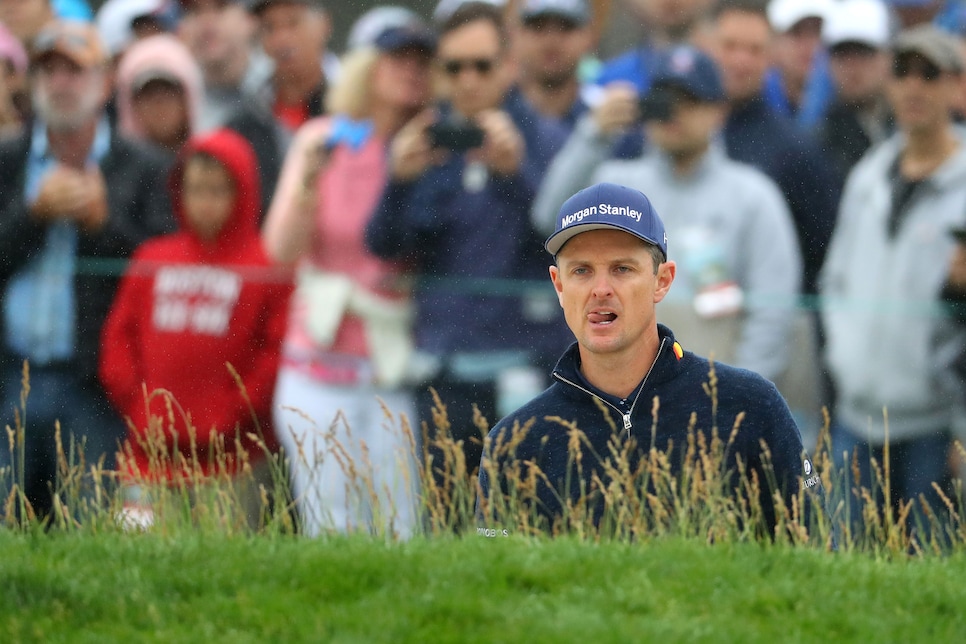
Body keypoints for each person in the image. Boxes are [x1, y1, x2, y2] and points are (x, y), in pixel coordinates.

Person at [478, 182, 822, 537]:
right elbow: (500, 587)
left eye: (622, 269)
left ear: (663, 280)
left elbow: (815, 555)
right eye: (581, 270)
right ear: (559, 285)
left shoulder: (747, 405)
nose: (600, 289)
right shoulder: (516, 442)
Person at [364, 2, 570, 522]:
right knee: (448, 527)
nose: (468, 80)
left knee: (524, 529)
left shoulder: (547, 139)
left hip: (526, 367)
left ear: (508, 66)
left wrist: (519, 174)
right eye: (454, 68)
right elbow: (383, 247)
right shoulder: (430, 140)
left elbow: (573, 244)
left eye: (481, 65)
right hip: (443, 367)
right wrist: (398, 181)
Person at [263, 8, 437, 538]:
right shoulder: (324, 138)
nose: (411, 70)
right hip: (317, 362)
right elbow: (279, 250)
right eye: (396, 58)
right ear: (365, 66)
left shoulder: (433, 147)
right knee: (329, 528)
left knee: (399, 527)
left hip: (393, 369)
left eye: (421, 60)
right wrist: (309, 186)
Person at [533, 45, 802, 386]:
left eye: (689, 100)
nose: (674, 113)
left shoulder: (753, 196)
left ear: (718, 111)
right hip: (619, 394)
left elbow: (773, 315)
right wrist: (593, 135)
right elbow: (546, 219)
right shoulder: (617, 184)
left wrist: (735, 394)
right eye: (663, 100)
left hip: (713, 392)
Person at [0, 21, 174, 520]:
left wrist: (102, 225)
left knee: (90, 529)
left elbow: (161, 273)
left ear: (102, 83)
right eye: (48, 71)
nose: (60, 83)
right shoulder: (7, 160)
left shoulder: (143, 167)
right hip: (12, 375)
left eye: (74, 72)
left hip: (97, 386)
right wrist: (31, 216)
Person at [99, 128, 291, 529]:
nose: (205, 203)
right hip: (148, 457)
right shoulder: (152, 258)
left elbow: (272, 356)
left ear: (243, 194)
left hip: (232, 462)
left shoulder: (264, 269)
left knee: (222, 570)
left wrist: (229, 414)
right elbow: (119, 342)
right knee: (135, 563)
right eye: (195, 190)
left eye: (219, 191)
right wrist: (139, 410)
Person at [819, 25, 966, 539]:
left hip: (935, 425)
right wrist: (844, 357)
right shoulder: (868, 175)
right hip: (856, 416)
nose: (913, 87)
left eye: (930, 74)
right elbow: (835, 279)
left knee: (929, 584)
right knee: (845, 578)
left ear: (956, 86)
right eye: (902, 72)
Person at [248, 0, 332, 134]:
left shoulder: (352, 99)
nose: (281, 38)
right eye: (269, 27)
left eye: (293, 23)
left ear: (324, 25)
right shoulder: (251, 104)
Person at [511, 0, 595, 131]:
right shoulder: (494, 113)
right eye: (539, 27)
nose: (551, 41)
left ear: (588, 36)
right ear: (516, 36)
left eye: (565, 28)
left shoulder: (606, 117)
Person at [114, 34, 203, 154]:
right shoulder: (114, 170)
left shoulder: (214, 163)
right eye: (148, 94)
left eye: (168, 92)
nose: (159, 104)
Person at [763, 0, 836, 128]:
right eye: (797, 33)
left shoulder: (843, 101)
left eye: (817, 32)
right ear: (773, 40)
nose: (809, 45)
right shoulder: (751, 99)